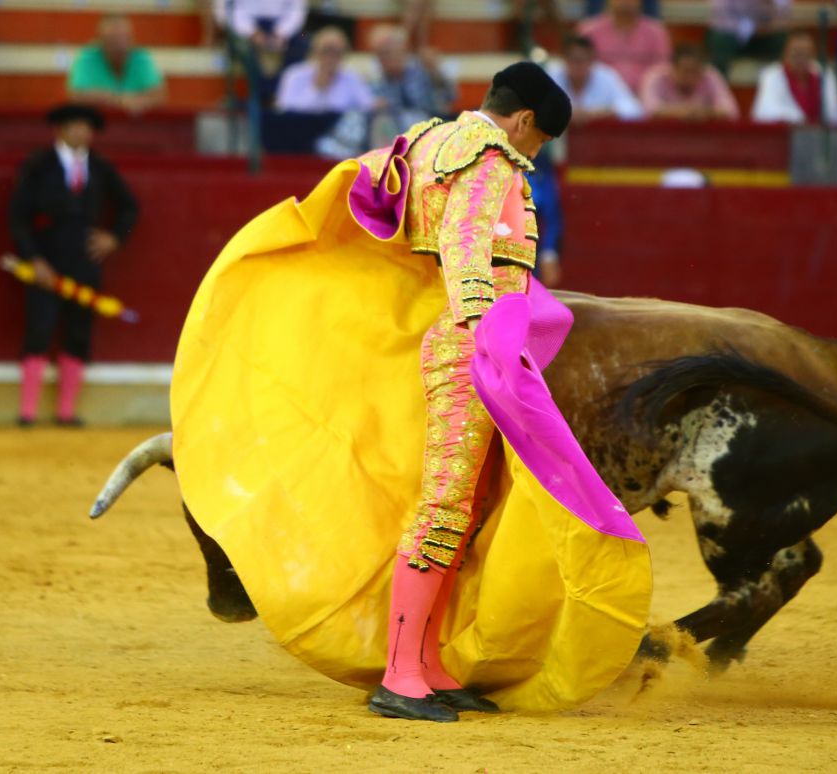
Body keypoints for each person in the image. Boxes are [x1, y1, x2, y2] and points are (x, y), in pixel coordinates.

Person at [170, 63, 650, 724]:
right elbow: (463, 239)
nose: (535, 154)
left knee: (467, 506)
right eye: (539, 141)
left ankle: (426, 664)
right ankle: (400, 675)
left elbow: (373, 192)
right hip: (477, 346)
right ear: (522, 121)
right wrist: (482, 327)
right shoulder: (489, 155)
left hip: (469, 343)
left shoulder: (427, 139)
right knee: (446, 507)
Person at [9, 104, 138, 427]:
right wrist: (33, 258)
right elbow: (18, 217)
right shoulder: (38, 165)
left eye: (86, 127)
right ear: (60, 130)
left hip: (84, 262)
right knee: (39, 329)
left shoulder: (101, 167)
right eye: (75, 125)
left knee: (78, 333)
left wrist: (114, 238)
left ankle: (66, 412)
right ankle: (27, 413)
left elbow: (129, 207)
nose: (82, 132)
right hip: (46, 261)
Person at [367, 24, 457, 142]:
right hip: (394, 134)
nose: (391, 57)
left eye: (395, 51)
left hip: (427, 129)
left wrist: (436, 73)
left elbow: (450, 97)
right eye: (383, 53)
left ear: (404, 51)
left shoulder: (421, 72)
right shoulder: (375, 82)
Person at [67, 14, 166, 114]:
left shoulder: (141, 59)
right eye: (112, 38)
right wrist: (120, 100)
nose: (119, 43)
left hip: (135, 121)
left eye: (123, 37)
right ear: (100, 40)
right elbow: (77, 96)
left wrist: (105, 97)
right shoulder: (87, 59)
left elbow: (158, 96)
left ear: (131, 38)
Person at [214, 0, 309, 102]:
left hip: (282, 25)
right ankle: (261, 96)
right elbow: (227, 9)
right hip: (245, 25)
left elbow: (297, 8)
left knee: (302, 44)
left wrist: (282, 32)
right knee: (242, 49)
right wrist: (251, 31)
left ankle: (280, 94)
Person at [577, 0, 672, 94]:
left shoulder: (656, 32)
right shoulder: (589, 31)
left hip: (645, 96)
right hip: (600, 95)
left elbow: (662, 68)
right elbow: (580, 65)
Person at [752, 31, 837, 124]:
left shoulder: (824, 74)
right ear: (785, 54)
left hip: (819, 131)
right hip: (787, 131)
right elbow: (764, 112)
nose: (801, 59)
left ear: (814, 55)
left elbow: (835, 114)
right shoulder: (772, 75)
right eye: (796, 54)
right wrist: (801, 120)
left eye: (806, 54)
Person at [275, 27, 375, 113]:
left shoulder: (352, 78)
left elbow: (368, 106)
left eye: (337, 52)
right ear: (315, 51)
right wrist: (317, 89)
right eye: (326, 51)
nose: (330, 57)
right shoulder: (294, 75)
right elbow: (284, 109)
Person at [547, 34, 644, 122]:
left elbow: (635, 110)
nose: (577, 65)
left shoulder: (607, 76)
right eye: (572, 59)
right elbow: (539, 110)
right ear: (563, 58)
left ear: (592, 60)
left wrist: (605, 112)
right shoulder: (552, 77)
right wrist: (564, 113)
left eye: (582, 59)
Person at [640, 43, 741, 120]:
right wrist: (685, 112)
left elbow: (731, 111)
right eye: (686, 71)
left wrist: (705, 112)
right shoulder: (655, 77)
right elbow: (648, 111)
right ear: (672, 68)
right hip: (663, 136)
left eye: (695, 71)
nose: (690, 76)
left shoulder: (710, 75)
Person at [706, 0, 792, 77]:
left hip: (765, 34)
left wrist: (770, 25)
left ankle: (778, 81)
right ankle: (718, 83)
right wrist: (751, 28)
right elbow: (720, 17)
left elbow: (784, 16)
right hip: (733, 35)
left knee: (781, 39)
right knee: (720, 39)